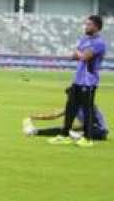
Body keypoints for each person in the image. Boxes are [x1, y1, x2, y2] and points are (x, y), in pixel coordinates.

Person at [50, 15, 106, 148]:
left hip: (89, 81)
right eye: (86, 24)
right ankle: (64, 135)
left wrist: (80, 53)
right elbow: (73, 56)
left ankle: (88, 138)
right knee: (70, 108)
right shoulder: (85, 40)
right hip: (78, 79)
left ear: (96, 27)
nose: (86, 27)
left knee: (87, 110)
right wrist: (80, 54)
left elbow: (85, 57)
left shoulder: (99, 43)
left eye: (89, 24)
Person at [23, 93, 107, 142]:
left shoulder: (89, 106)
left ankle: (78, 135)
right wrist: (34, 117)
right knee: (64, 129)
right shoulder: (72, 106)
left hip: (99, 131)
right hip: (88, 129)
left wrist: (74, 128)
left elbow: (92, 123)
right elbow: (54, 115)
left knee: (69, 130)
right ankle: (35, 131)